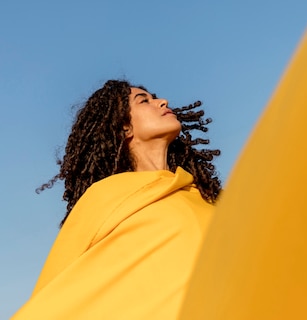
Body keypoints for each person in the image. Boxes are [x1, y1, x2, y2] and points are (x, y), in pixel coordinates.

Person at [13, 79, 221, 319]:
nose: (162, 102)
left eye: (155, 98)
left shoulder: (202, 196)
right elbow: (57, 290)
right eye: (144, 101)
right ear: (125, 128)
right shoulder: (105, 197)